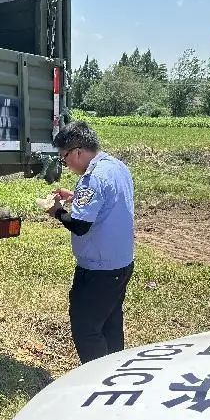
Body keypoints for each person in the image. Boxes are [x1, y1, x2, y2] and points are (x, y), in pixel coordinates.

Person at [47, 121, 135, 364]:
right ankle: (115, 372)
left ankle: (96, 380)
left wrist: (55, 211)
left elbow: (80, 225)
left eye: (64, 158)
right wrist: (75, 198)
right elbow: (108, 202)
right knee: (110, 323)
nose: (65, 164)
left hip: (98, 269)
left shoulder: (92, 178)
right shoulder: (117, 167)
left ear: (77, 151)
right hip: (121, 264)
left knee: (87, 329)